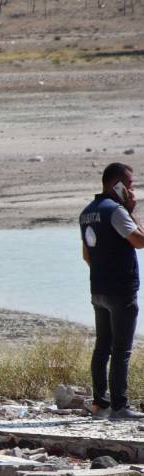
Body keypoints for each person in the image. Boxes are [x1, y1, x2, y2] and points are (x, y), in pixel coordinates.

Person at [80, 162, 144, 420]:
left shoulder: (87, 212)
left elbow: (86, 254)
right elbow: (140, 242)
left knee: (102, 347)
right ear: (115, 184)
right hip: (121, 290)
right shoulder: (116, 211)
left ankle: (99, 404)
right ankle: (119, 406)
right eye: (129, 185)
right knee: (121, 349)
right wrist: (132, 212)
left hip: (98, 289)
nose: (132, 190)